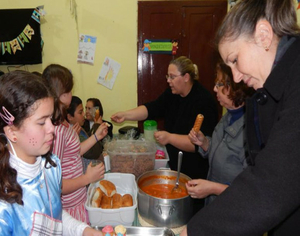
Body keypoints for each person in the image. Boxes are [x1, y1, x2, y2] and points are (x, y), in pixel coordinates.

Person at [180, 0, 300, 235]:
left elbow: (271, 184)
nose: (235, 77)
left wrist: (193, 232)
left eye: (235, 60)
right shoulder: (268, 92)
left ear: (264, 35)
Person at [0, 71, 102, 236]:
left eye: (50, 119)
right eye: (42, 122)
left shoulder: (50, 167)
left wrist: (83, 230)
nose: (51, 129)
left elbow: (53, 215)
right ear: (12, 132)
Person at [111, 56, 218, 214]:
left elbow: (197, 145)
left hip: (194, 173)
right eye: (167, 76)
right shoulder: (172, 94)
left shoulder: (204, 101)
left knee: (190, 214)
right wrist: (126, 115)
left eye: (172, 77)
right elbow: (152, 108)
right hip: (174, 166)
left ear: (186, 77)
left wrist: (169, 137)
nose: (168, 80)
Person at [43, 64, 108, 223]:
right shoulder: (56, 129)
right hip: (70, 206)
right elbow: (56, 185)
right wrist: (87, 178)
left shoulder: (62, 122)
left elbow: (74, 152)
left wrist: (96, 137)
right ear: (61, 94)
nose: (71, 94)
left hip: (78, 199)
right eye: (69, 90)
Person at [186, 61, 254, 205]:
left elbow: (251, 191)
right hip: (214, 205)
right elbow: (223, 153)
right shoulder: (227, 116)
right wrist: (204, 143)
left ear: (235, 87)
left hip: (234, 211)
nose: (214, 89)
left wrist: (212, 188)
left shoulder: (251, 130)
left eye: (219, 84)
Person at [67, 96, 104, 172]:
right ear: (70, 117)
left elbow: (88, 138)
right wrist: (96, 127)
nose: (84, 114)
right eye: (80, 112)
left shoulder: (78, 127)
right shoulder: (72, 133)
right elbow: (94, 152)